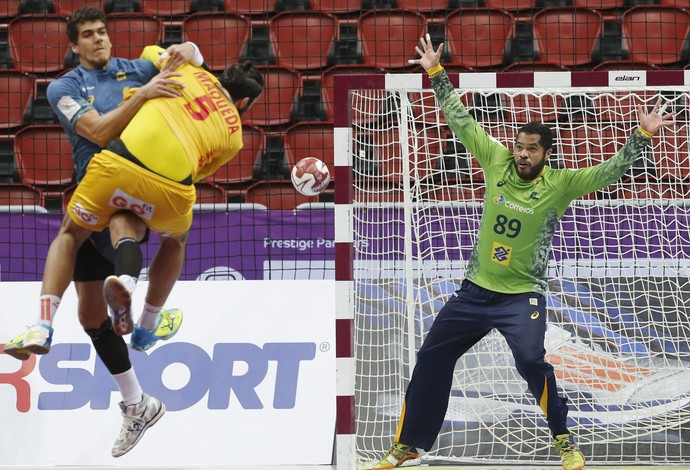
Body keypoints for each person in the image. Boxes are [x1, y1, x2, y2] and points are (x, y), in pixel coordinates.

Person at [372, 35, 678, 470]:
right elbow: (461, 122)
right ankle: (408, 446)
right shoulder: (496, 161)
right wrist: (437, 74)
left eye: (531, 149)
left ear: (545, 154)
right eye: (518, 145)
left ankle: (565, 441)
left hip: (521, 297)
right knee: (431, 357)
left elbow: (611, 172)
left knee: (532, 360)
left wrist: (641, 136)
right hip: (474, 292)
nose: (521, 153)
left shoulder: (560, 185)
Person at [2, 6, 203, 457]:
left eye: (103, 33)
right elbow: (96, 130)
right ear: (74, 45)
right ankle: (137, 403)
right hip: (92, 185)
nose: (99, 40)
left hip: (133, 188)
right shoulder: (65, 87)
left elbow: (194, 56)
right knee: (91, 318)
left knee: (119, 221)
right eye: (89, 35)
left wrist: (184, 50)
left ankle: (110, 300)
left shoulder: (137, 67)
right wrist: (145, 95)